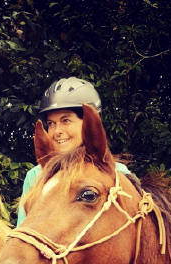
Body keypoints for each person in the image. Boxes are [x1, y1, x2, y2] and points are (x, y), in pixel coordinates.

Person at [17, 77, 130, 226]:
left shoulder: (117, 173)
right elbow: (24, 229)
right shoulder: (35, 175)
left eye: (66, 121)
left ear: (89, 123)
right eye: (51, 124)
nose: (57, 131)